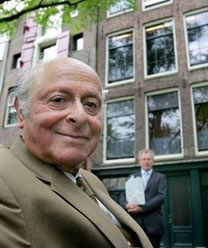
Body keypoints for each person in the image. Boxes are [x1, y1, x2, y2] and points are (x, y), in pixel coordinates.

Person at [0, 57, 153, 248]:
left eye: (90, 104)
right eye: (58, 100)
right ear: (21, 112)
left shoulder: (92, 181)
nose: (80, 116)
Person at [119, 149, 167, 248]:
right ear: (139, 161)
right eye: (144, 159)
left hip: (153, 225)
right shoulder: (131, 177)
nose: (146, 161)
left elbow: (161, 196)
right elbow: (123, 196)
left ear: (153, 161)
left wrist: (142, 208)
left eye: (149, 159)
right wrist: (126, 205)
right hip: (135, 225)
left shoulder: (160, 178)